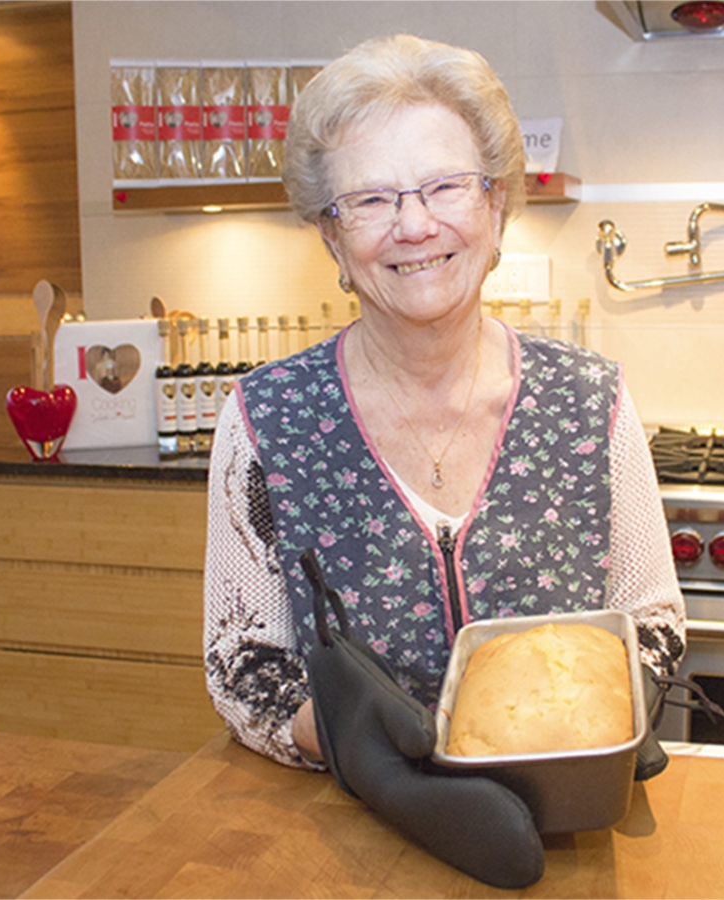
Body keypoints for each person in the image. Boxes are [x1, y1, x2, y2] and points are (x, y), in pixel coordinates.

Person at [204, 34, 685, 769]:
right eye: (368, 199)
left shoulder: (591, 403)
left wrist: (598, 735)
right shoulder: (266, 419)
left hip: (571, 820)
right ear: (331, 237)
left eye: (445, 186)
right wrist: (365, 753)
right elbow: (246, 663)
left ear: (496, 205)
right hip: (343, 841)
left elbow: (651, 618)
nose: (415, 225)